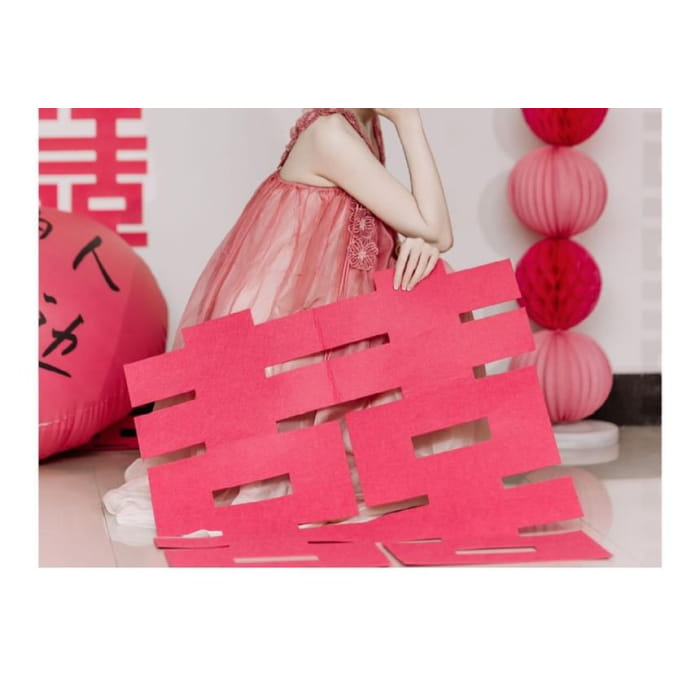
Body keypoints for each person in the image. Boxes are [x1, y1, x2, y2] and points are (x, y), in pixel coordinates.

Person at [103, 108, 485, 532]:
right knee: (423, 311)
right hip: (286, 317)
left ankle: (413, 464)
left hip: (329, 299)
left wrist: (420, 239)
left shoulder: (364, 124)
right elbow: (440, 231)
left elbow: (432, 234)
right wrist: (409, 121)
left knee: (434, 293)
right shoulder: (330, 133)